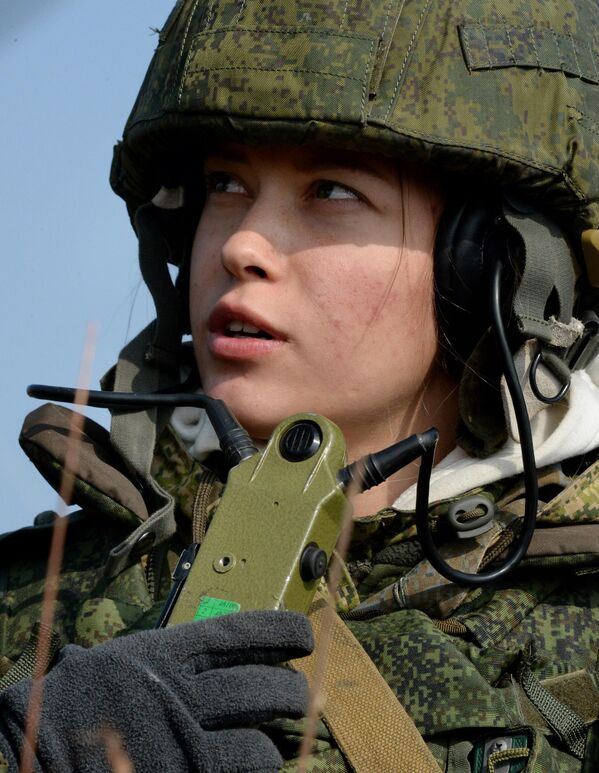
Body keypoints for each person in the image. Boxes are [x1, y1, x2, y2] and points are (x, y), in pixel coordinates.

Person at [1, 0, 598, 770]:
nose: (242, 243)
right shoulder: (35, 605)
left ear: (491, 264)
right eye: (225, 183)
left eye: (331, 190)